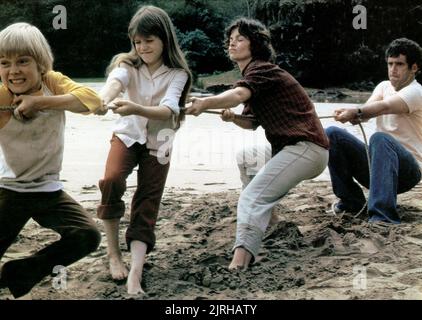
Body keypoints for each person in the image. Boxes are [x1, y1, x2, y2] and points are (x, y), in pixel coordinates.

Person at [185, 18, 329, 270]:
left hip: (306, 148)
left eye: (240, 39)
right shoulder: (254, 74)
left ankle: (240, 261)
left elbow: (239, 94)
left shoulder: (263, 70)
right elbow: (251, 123)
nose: (233, 43)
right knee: (247, 156)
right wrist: (234, 118)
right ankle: (271, 223)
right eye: (231, 39)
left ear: (256, 45)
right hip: (294, 149)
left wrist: (205, 102)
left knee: (251, 198)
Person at [0, 22, 101, 299]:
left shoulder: (53, 83)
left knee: (87, 235)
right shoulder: (2, 95)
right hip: (9, 190)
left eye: (22, 61)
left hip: (48, 191)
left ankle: (22, 272)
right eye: (4, 63)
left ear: (41, 64)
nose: (13, 70)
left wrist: (39, 103)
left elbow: (92, 100)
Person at [96, 5, 191, 294]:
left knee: (148, 199)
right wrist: (102, 100)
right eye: (137, 41)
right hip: (126, 136)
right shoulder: (127, 65)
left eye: (149, 40)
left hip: (160, 139)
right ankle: (114, 254)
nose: (142, 47)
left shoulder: (178, 73)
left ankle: (135, 271)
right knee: (111, 181)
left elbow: (168, 109)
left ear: (164, 38)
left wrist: (136, 107)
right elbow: (114, 84)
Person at [326, 38, 422, 224]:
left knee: (380, 138)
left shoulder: (416, 92)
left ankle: (382, 216)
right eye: (390, 64)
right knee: (332, 134)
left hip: (408, 171)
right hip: (377, 166)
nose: (393, 69)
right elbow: (368, 111)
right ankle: (351, 201)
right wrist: (352, 114)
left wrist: (357, 112)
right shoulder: (383, 86)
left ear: (414, 68)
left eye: (399, 64)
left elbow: (385, 107)